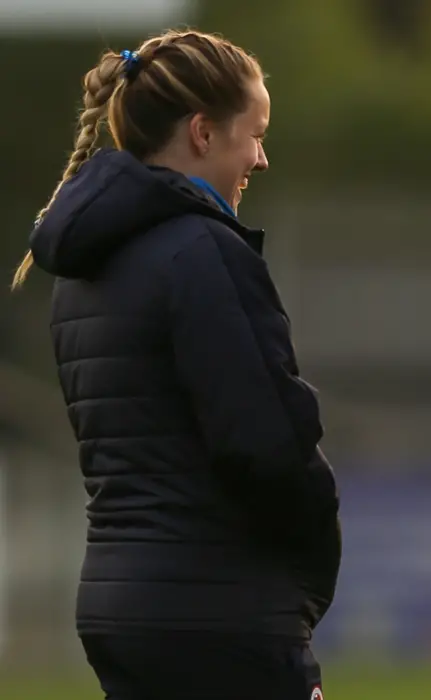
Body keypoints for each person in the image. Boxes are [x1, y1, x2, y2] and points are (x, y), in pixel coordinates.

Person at [11, 29, 340, 700]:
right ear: (202, 132)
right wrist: (307, 573)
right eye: (255, 133)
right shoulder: (202, 251)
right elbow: (268, 443)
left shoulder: (84, 269)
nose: (262, 157)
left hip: (120, 608)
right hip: (218, 615)